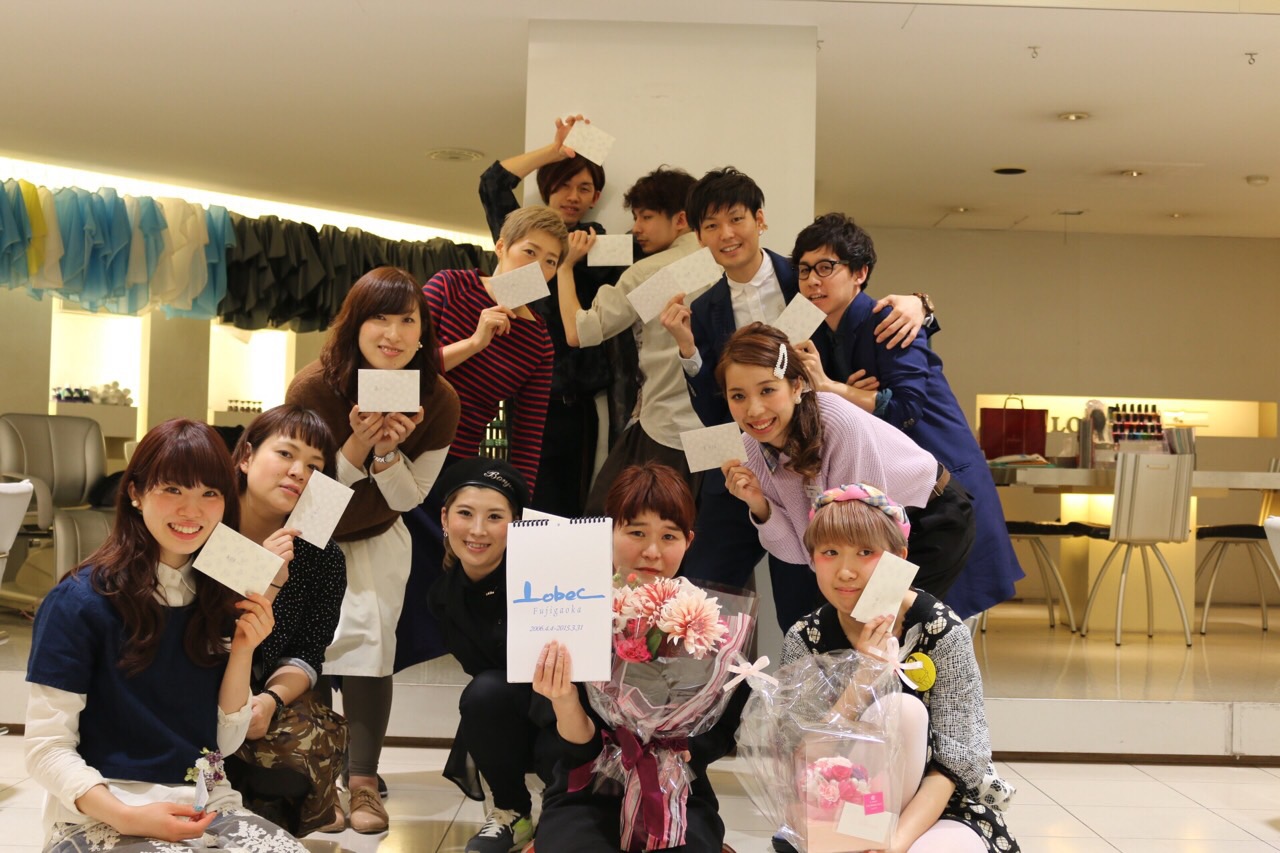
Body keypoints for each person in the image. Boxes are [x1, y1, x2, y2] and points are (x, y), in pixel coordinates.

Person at [659, 167, 930, 630]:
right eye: (711, 225)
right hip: (756, 464)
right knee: (709, 590)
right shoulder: (703, 310)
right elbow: (717, 412)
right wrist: (688, 351)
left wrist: (920, 304)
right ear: (699, 236)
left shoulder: (807, 275)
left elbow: (865, 308)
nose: (726, 235)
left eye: (736, 219)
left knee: (824, 604)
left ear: (760, 220)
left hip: (832, 463)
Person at [25, 418, 305, 852]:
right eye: (173, 489)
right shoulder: (77, 602)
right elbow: (45, 748)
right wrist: (129, 816)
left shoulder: (222, 593)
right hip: (102, 811)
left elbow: (225, 743)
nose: (192, 511)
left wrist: (243, 650)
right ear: (135, 493)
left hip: (207, 804)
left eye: (209, 493)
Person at [285, 266, 460, 834]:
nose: (393, 333)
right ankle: (316, 780)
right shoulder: (313, 388)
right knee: (307, 654)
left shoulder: (437, 398)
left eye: (407, 320)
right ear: (354, 325)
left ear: (423, 330)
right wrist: (358, 443)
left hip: (380, 534)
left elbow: (410, 498)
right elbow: (304, 495)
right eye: (379, 318)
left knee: (370, 652)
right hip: (313, 534)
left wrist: (387, 454)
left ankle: (362, 781)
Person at [790, 213, 1023, 619]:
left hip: (945, 490)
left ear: (860, 273)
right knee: (887, 622)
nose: (813, 280)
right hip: (902, 499)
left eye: (826, 267)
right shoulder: (819, 333)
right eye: (805, 270)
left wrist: (834, 388)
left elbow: (905, 409)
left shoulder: (888, 318)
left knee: (930, 624)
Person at [779, 484, 1019, 853]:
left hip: (939, 806)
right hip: (840, 805)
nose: (846, 571)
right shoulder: (805, 637)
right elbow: (802, 755)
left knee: (903, 710)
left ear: (899, 557)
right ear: (813, 558)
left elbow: (955, 764)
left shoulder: (941, 631)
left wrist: (894, 842)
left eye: (865, 552)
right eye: (830, 552)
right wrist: (863, 677)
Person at [530, 462, 750, 853]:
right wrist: (563, 698)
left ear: (689, 541)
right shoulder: (569, 610)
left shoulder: (708, 622)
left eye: (669, 536)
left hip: (679, 789)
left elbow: (719, 729)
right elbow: (573, 748)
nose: (652, 551)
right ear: (608, 532)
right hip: (588, 787)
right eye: (636, 532)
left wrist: (681, 746)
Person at [396, 206, 559, 672]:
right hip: (391, 441)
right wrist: (474, 341)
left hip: (451, 466)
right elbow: (401, 368)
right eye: (530, 252)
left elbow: (528, 437)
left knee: (436, 569)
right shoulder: (451, 285)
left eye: (551, 261)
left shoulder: (539, 342)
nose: (538, 268)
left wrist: (519, 515)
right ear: (501, 247)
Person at [717, 324, 976, 603]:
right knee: (862, 620)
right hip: (865, 539)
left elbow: (856, 531)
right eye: (738, 396)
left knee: (880, 620)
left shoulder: (837, 422)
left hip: (928, 518)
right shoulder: (750, 450)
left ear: (796, 386)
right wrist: (759, 505)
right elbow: (797, 553)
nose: (754, 410)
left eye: (767, 390)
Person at [479, 114, 634, 515]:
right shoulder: (523, 238)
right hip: (522, 396)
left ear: (596, 196)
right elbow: (492, 183)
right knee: (520, 499)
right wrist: (554, 151)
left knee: (572, 506)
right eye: (564, 184)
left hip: (578, 404)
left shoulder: (602, 248)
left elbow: (647, 260)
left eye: (584, 188)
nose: (573, 196)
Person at [552, 166, 707, 511]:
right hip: (719, 430)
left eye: (646, 217)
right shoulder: (722, 265)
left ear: (681, 219)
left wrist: (565, 267)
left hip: (665, 426)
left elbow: (580, 331)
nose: (636, 228)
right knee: (692, 525)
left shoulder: (657, 273)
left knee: (609, 517)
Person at [224, 405, 348, 836]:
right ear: (246, 457)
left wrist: (270, 701)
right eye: (285, 454)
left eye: (315, 466)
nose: (299, 472)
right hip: (190, 684)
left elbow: (308, 652)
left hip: (259, 693)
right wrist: (264, 576)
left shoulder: (321, 557)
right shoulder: (204, 526)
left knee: (303, 751)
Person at [425, 457, 554, 853]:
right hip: (512, 709)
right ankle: (512, 811)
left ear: (516, 524)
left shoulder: (546, 575)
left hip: (571, 709)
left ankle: (568, 804)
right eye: (465, 513)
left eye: (495, 516)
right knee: (484, 693)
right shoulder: (443, 597)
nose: (478, 530)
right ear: (445, 518)